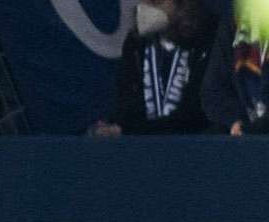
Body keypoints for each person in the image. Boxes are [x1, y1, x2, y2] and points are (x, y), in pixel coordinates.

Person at [89, 0, 216, 136]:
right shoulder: (135, 44)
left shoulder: (210, 39)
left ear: (183, 5)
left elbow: (198, 112)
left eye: (156, 3)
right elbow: (127, 102)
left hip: (197, 145)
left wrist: (129, 130)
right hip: (142, 147)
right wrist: (117, 125)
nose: (146, 9)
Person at [202, 0, 269, 135]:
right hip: (246, 135)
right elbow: (213, 89)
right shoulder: (234, 19)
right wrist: (235, 120)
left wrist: (252, 129)